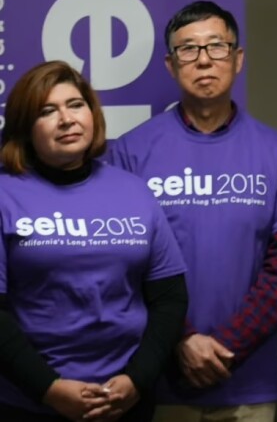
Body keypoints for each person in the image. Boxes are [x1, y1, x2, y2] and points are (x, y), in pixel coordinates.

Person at [106, 1, 277, 422]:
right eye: (189, 50)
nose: (204, 60)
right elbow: (120, 264)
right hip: (155, 376)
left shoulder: (276, 152)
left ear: (238, 58)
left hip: (246, 378)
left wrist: (226, 346)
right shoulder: (130, 152)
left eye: (217, 46)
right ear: (170, 65)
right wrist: (180, 341)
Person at [0, 60, 188, 422]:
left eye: (75, 105)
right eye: (47, 111)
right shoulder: (5, 194)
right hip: (32, 402)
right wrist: (48, 388)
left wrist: (137, 379)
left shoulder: (133, 190)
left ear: (92, 113)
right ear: (26, 128)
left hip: (126, 401)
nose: (66, 119)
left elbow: (169, 297)